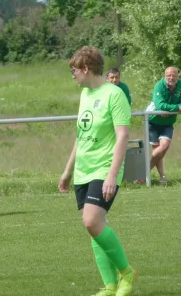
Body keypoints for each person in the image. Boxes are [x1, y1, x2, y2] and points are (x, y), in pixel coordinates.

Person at [59, 46, 135, 296]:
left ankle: (126, 272)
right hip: (83, 169)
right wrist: (68, 171)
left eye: (74, 71)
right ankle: (110, 286)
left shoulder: (114, 94)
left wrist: (113, 174)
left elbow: (123, 135)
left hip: (104, 168)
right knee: (95, 227)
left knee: (91, 221)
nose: (73, 76)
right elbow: (81, 136)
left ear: (85, 69)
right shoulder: (85, 96)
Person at [146, 67, 181, 184]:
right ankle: (162, 177)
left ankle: (143, 171)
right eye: (168, 75)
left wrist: (179, 107)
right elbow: (160, 105)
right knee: (158, 151)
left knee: (164, 147)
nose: (171, 78)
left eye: (174, 75)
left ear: (178, 76)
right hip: (152, 121)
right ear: (164, 76)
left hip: (168, 123)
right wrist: (177, 108)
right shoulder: (159, 86)